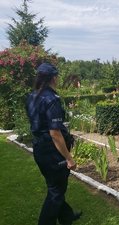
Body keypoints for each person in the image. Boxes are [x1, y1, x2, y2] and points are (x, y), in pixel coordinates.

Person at [26, 62, 82, 225]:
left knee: (54, 187)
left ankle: (67, 216)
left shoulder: (32, 96)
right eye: (57, 76)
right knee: (56, 192)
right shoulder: (52, 98)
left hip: (39, 149)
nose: (58, 79)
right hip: (52, 152)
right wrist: (69, 158)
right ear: (53, 78)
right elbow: (55, 133)